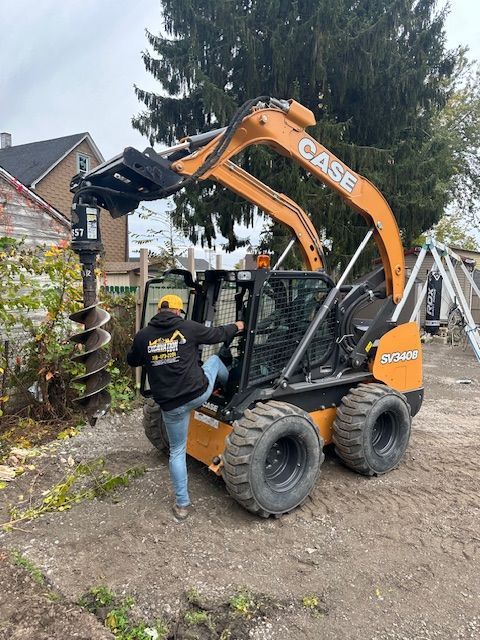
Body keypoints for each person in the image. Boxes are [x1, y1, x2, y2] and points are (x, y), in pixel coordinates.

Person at [127, 294, 244, 521]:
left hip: (170, 404)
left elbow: (132, 360)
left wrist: (155, 355)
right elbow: (218, 334)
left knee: (177, 451)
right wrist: (237, 325)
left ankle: (182, 505)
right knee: (215, 362)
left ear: (159, 310)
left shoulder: (143, 336)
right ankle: (233, 392)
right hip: (196, 395)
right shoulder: (188, 327)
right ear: (178, 311)